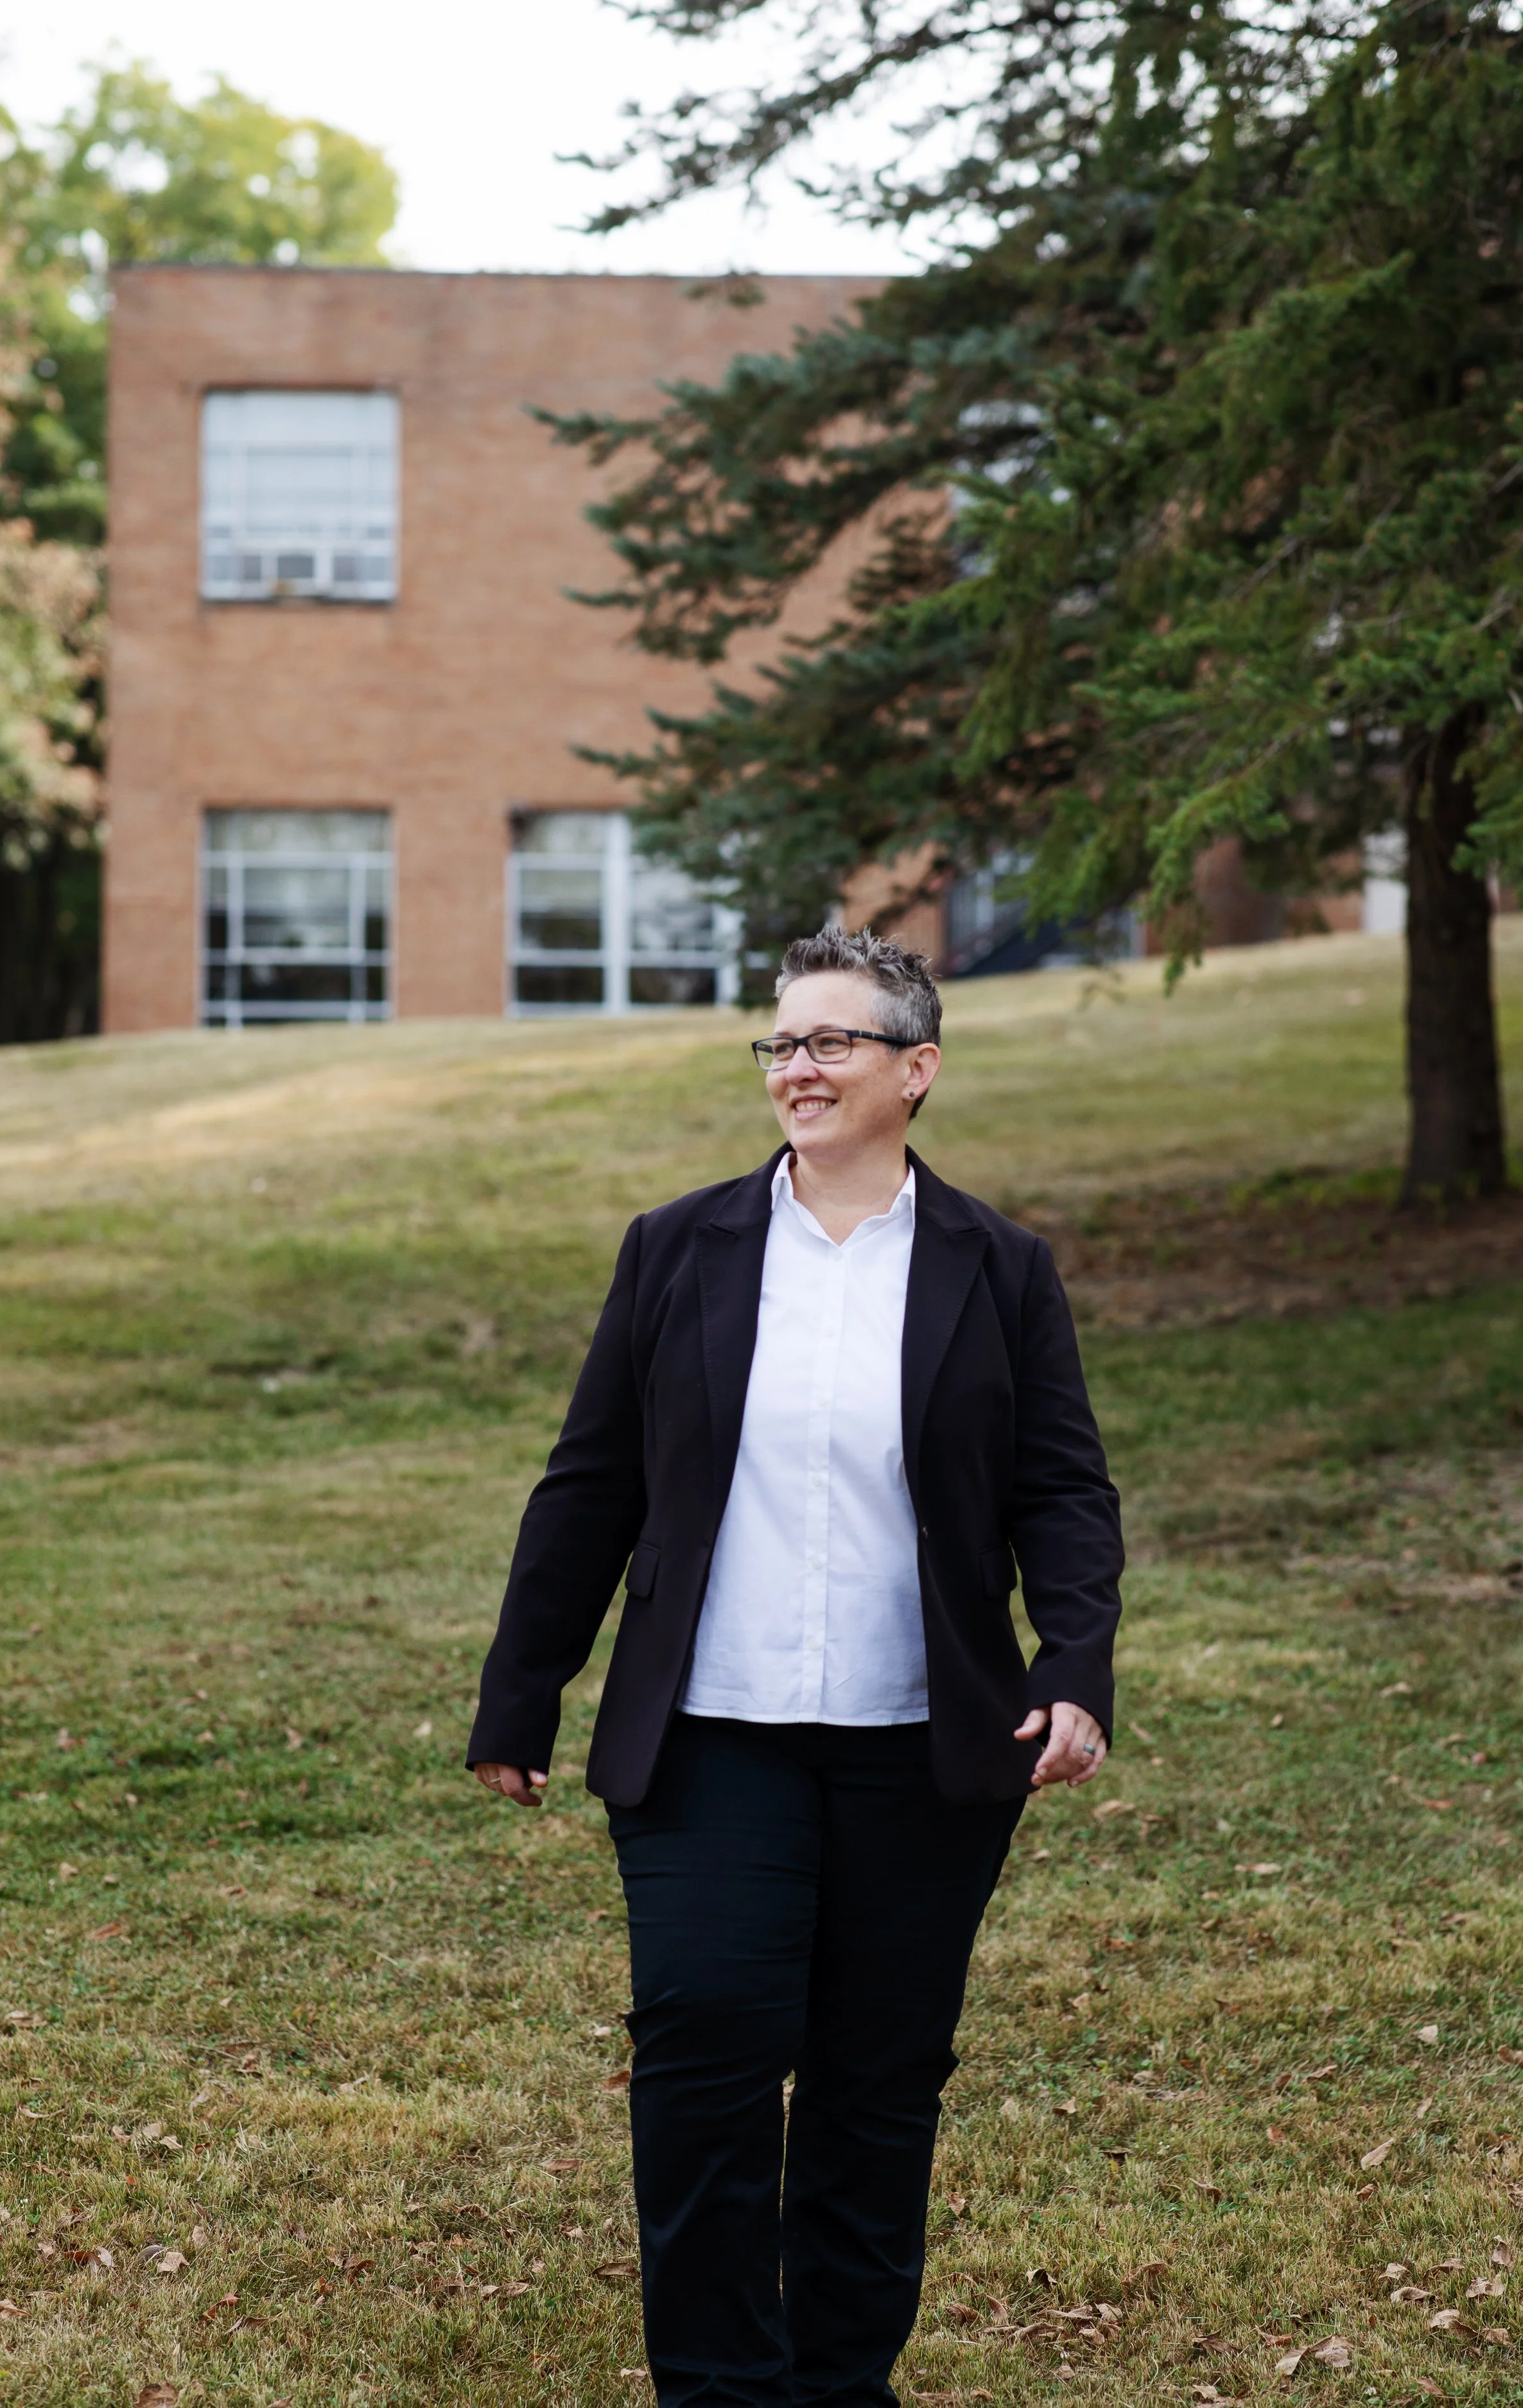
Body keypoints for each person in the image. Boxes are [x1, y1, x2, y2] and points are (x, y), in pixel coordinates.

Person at [468, 927, 1123, 2408]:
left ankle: (837, 2387)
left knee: (876, 2088)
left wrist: (1073, 1666)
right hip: (711, 1742)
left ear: (916, 1070)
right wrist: (522, 1691)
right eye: (780, 1044)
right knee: (704, 2051)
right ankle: (717, 2388)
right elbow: (590, 1484)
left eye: (831, 1042)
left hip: (925, 1749)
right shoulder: (677, 1246)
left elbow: (1060, 1491)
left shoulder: (997, 1267)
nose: (798, 1067)